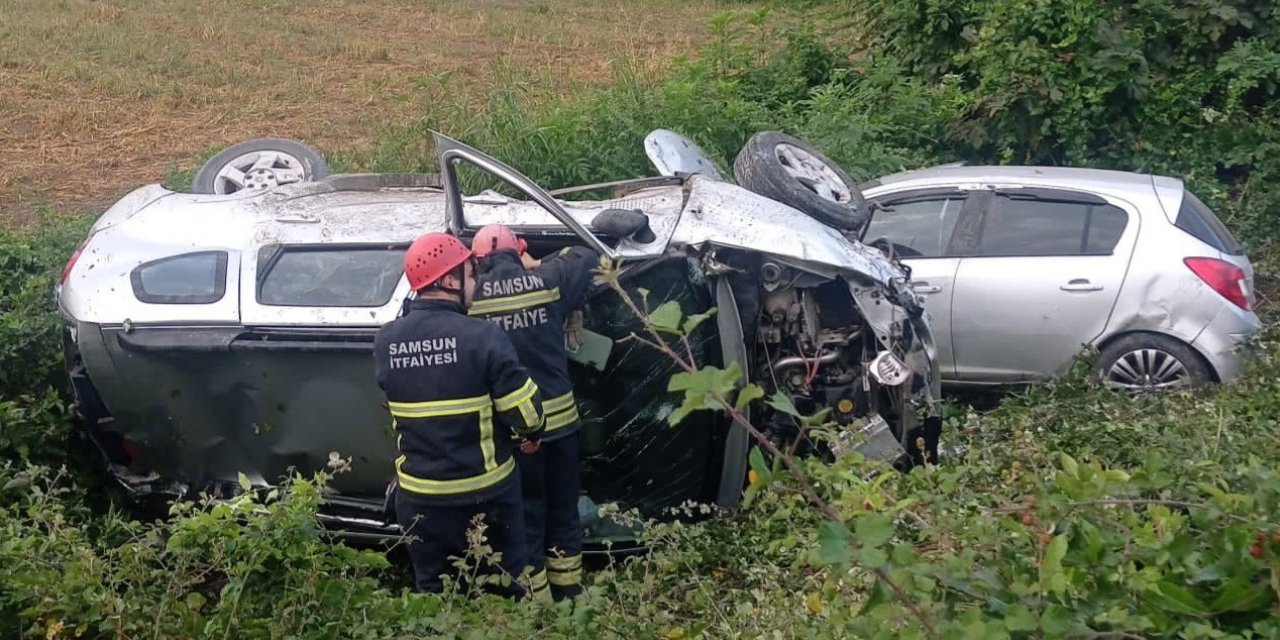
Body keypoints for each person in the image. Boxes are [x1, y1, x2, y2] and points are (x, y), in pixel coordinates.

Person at [374, 232, 546, 598]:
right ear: (449, 280)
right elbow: (527, 414)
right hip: (485, 495)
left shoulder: (386, 340)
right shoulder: (483, 336)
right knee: (506, 587)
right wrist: (530, 433)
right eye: (471, 271)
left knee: (435, 594)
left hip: (419, 497)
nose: (476, 281)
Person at [468, 224, 597, 601]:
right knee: (563, 510)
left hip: (513, 435)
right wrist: (537, 261)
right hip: (560, 430)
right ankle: (569, 592)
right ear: (518, 250)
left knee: (525, 517)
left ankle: (534, 602)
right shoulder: (547, 281)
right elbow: (587, 255)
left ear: (477, 262)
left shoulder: (470, 299)